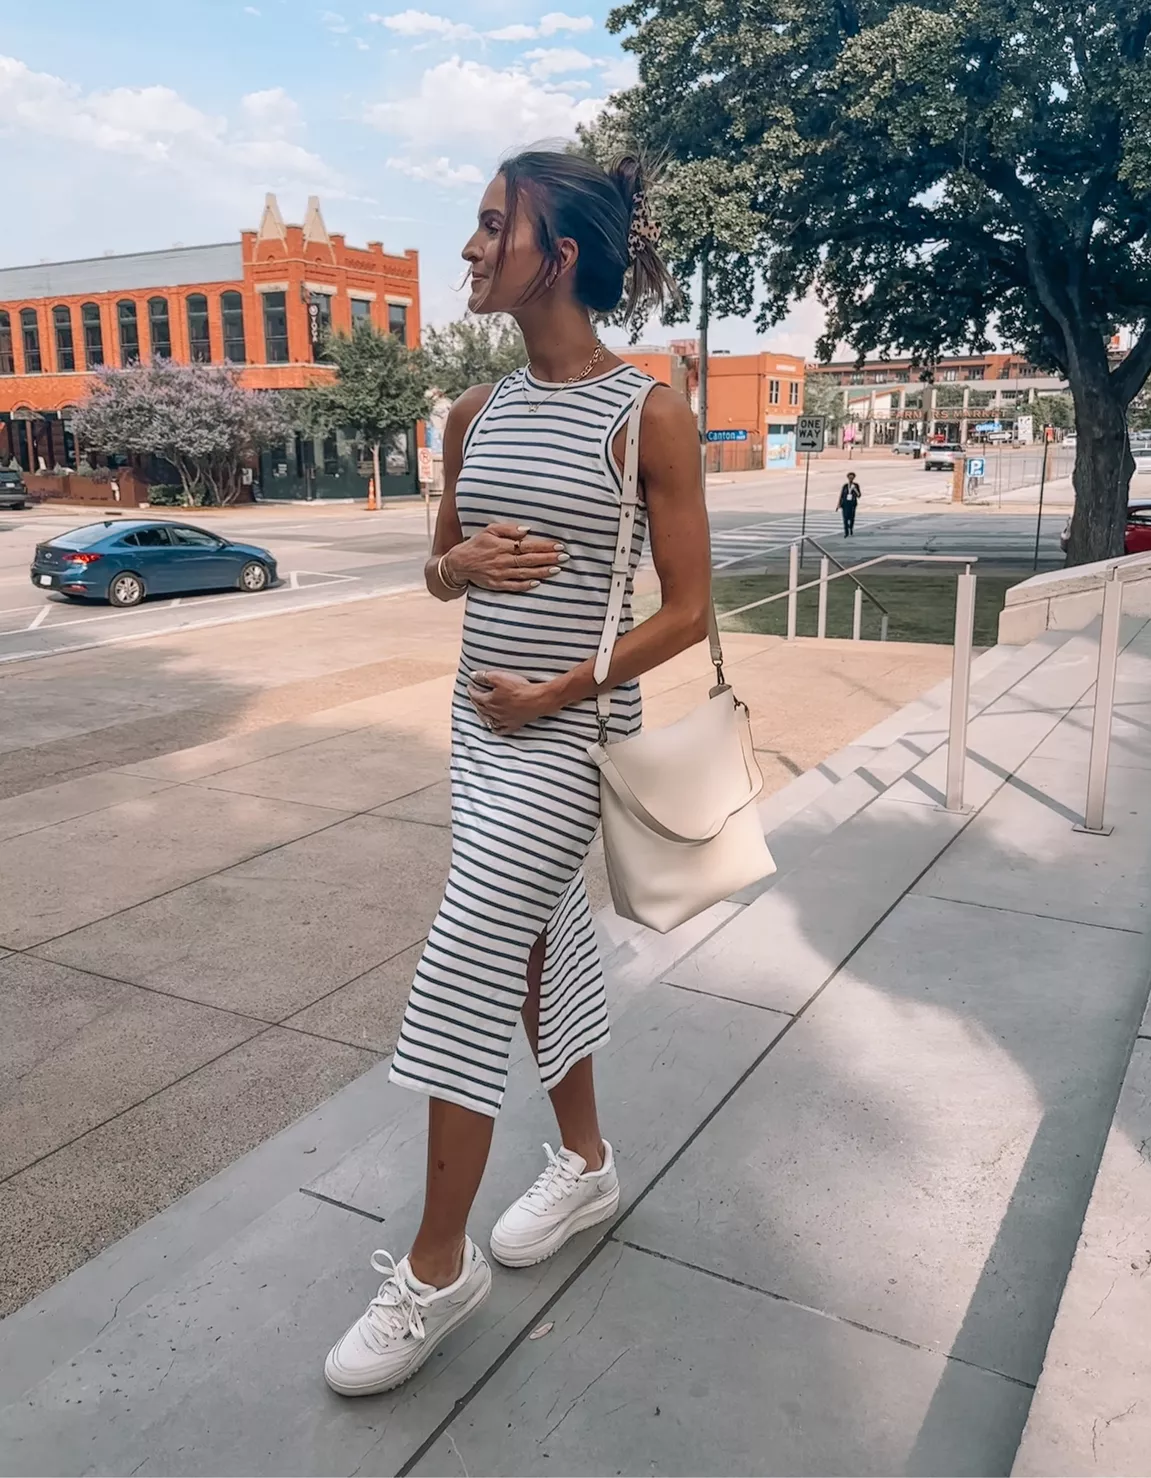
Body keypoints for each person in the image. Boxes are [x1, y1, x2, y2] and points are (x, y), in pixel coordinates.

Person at [322, 149, 711, 1397]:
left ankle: (436, 1268)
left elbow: (691, 610)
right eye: (476, 227)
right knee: (539, 943)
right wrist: (460, 568)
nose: (472, 248)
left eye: (495, 227)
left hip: (569, 727)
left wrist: (559, 690)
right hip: (475, 726)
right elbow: (436, 569)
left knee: (463, 958)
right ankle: (587, 1158)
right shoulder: (469, 413)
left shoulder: (643, 411)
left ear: (560, 255)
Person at [838, 470, 861, 536]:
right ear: (848, 478)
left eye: (852, 477)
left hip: (852, 504)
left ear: (854, 478)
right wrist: (839, 504)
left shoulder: (856, 485)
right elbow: (841, 495)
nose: (850, 479)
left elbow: (859, 495)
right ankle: (846, 532)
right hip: (845, 504)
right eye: (849, 477)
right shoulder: (845, 486)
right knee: (845, 517)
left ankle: (850, 528)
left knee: (851, 517)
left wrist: (855, 490)